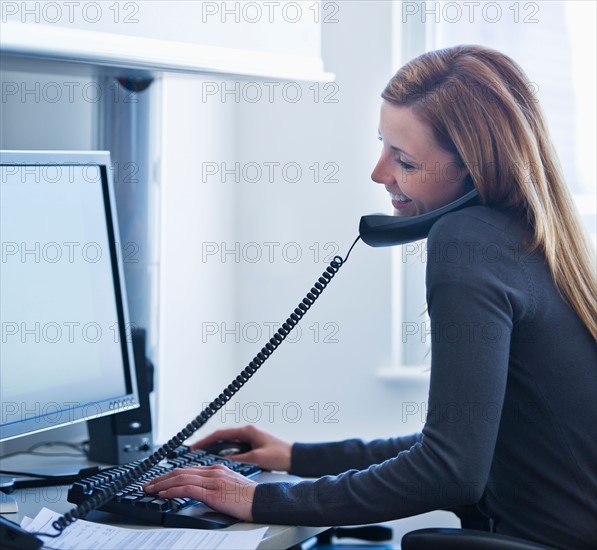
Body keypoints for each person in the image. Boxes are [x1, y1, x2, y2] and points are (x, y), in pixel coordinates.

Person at [144, 45, 597, 548]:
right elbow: (465, 441)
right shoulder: (529, 240)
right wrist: (297, 457)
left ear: (474, 170)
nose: (379, 174)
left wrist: (260, 500)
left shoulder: (466, 241)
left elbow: (449, 470)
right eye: (383, 146)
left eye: (403, 159)